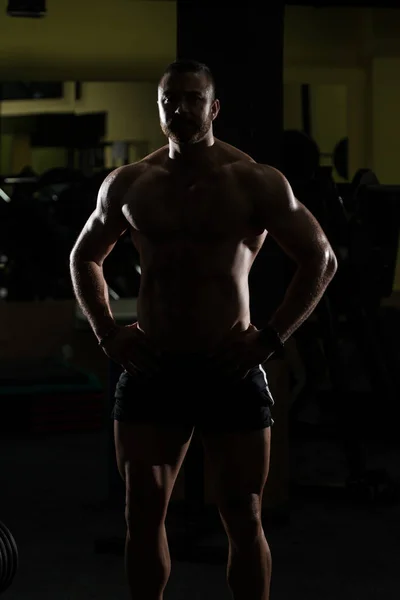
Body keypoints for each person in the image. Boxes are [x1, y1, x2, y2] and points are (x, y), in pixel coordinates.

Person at [70, 59, 338, 600]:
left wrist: (272, 337)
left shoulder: (254, 181)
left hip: (229, 365)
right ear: (160, 107)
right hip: (154, 365)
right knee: (142, 509)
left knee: (243, 512)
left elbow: (321, 259)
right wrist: (107, 334)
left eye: (194, 98)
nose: (181, 107)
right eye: (171, 98)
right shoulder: (130, 183)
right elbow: (84, 256)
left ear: (214, 108)